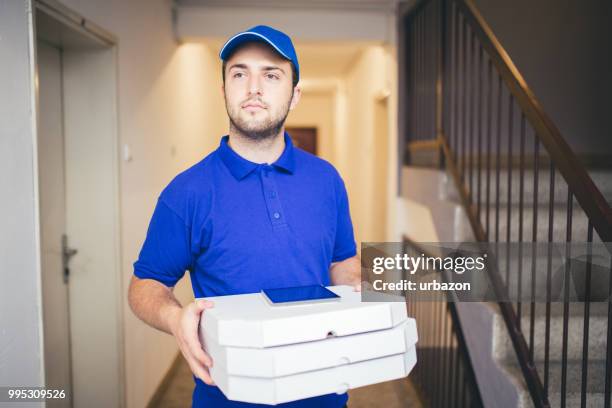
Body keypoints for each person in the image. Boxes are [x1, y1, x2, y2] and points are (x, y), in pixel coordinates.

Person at [128, 25, 360, 408]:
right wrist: (174, 319)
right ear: (224, 91)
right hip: (227, 398)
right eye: (239, 73)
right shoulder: (187, 192)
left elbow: (343, 260)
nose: (254, 87)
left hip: (324, 394)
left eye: (271, 75)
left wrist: (363, 303)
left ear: (295, 94)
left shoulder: (327, 180)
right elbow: (145, 284)